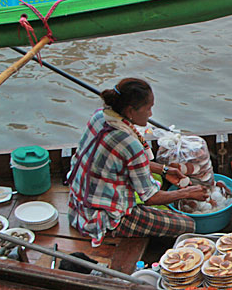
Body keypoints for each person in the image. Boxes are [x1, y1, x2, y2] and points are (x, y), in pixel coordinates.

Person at [68, 78, 208, 246]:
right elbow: (150, 197)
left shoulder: (99, 116)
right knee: (188, 224)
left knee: (157, 187)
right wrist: (186, 193)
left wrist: (163, 170)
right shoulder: (130, 144)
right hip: (103, 218)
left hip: (79, 203)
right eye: (148, 108)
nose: (151, 114)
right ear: (130, 111)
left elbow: (126, 161)